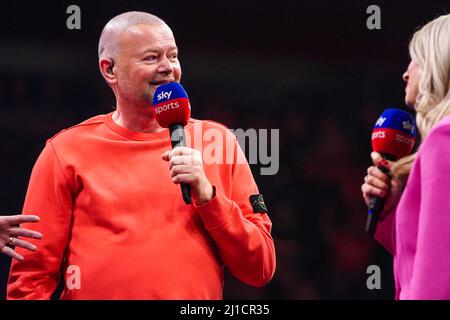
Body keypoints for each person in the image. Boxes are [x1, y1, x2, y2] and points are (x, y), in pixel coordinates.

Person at [7, 11, 276, 299]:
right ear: (109, 69)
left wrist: (209, 196)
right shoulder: (65, 150)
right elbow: (31, 278)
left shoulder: (218, 142)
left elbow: (260, 267)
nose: (167, 68)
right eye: (151, 58)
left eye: (172, 56)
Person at [361, 14, 450, 299]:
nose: (406, 73)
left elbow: (435, 283)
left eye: (417, 60)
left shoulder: (444, 138)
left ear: (439, 66)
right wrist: (393, 211)